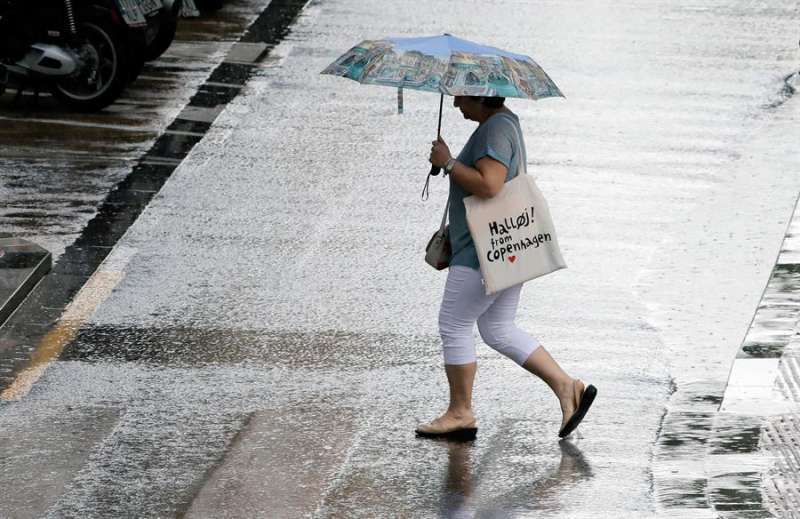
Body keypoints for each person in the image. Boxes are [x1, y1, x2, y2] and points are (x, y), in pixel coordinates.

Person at [416, 95, 596, 440]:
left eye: (461, 96)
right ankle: (567, 387)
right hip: (506, 246)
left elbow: (490, 184)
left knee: (453, 324)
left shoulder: (495, 130)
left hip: (483, 250)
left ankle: (460, 412)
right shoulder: (505, 122)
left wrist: (450, 162)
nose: (455, 103)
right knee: (497, 327)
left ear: (479, 95)